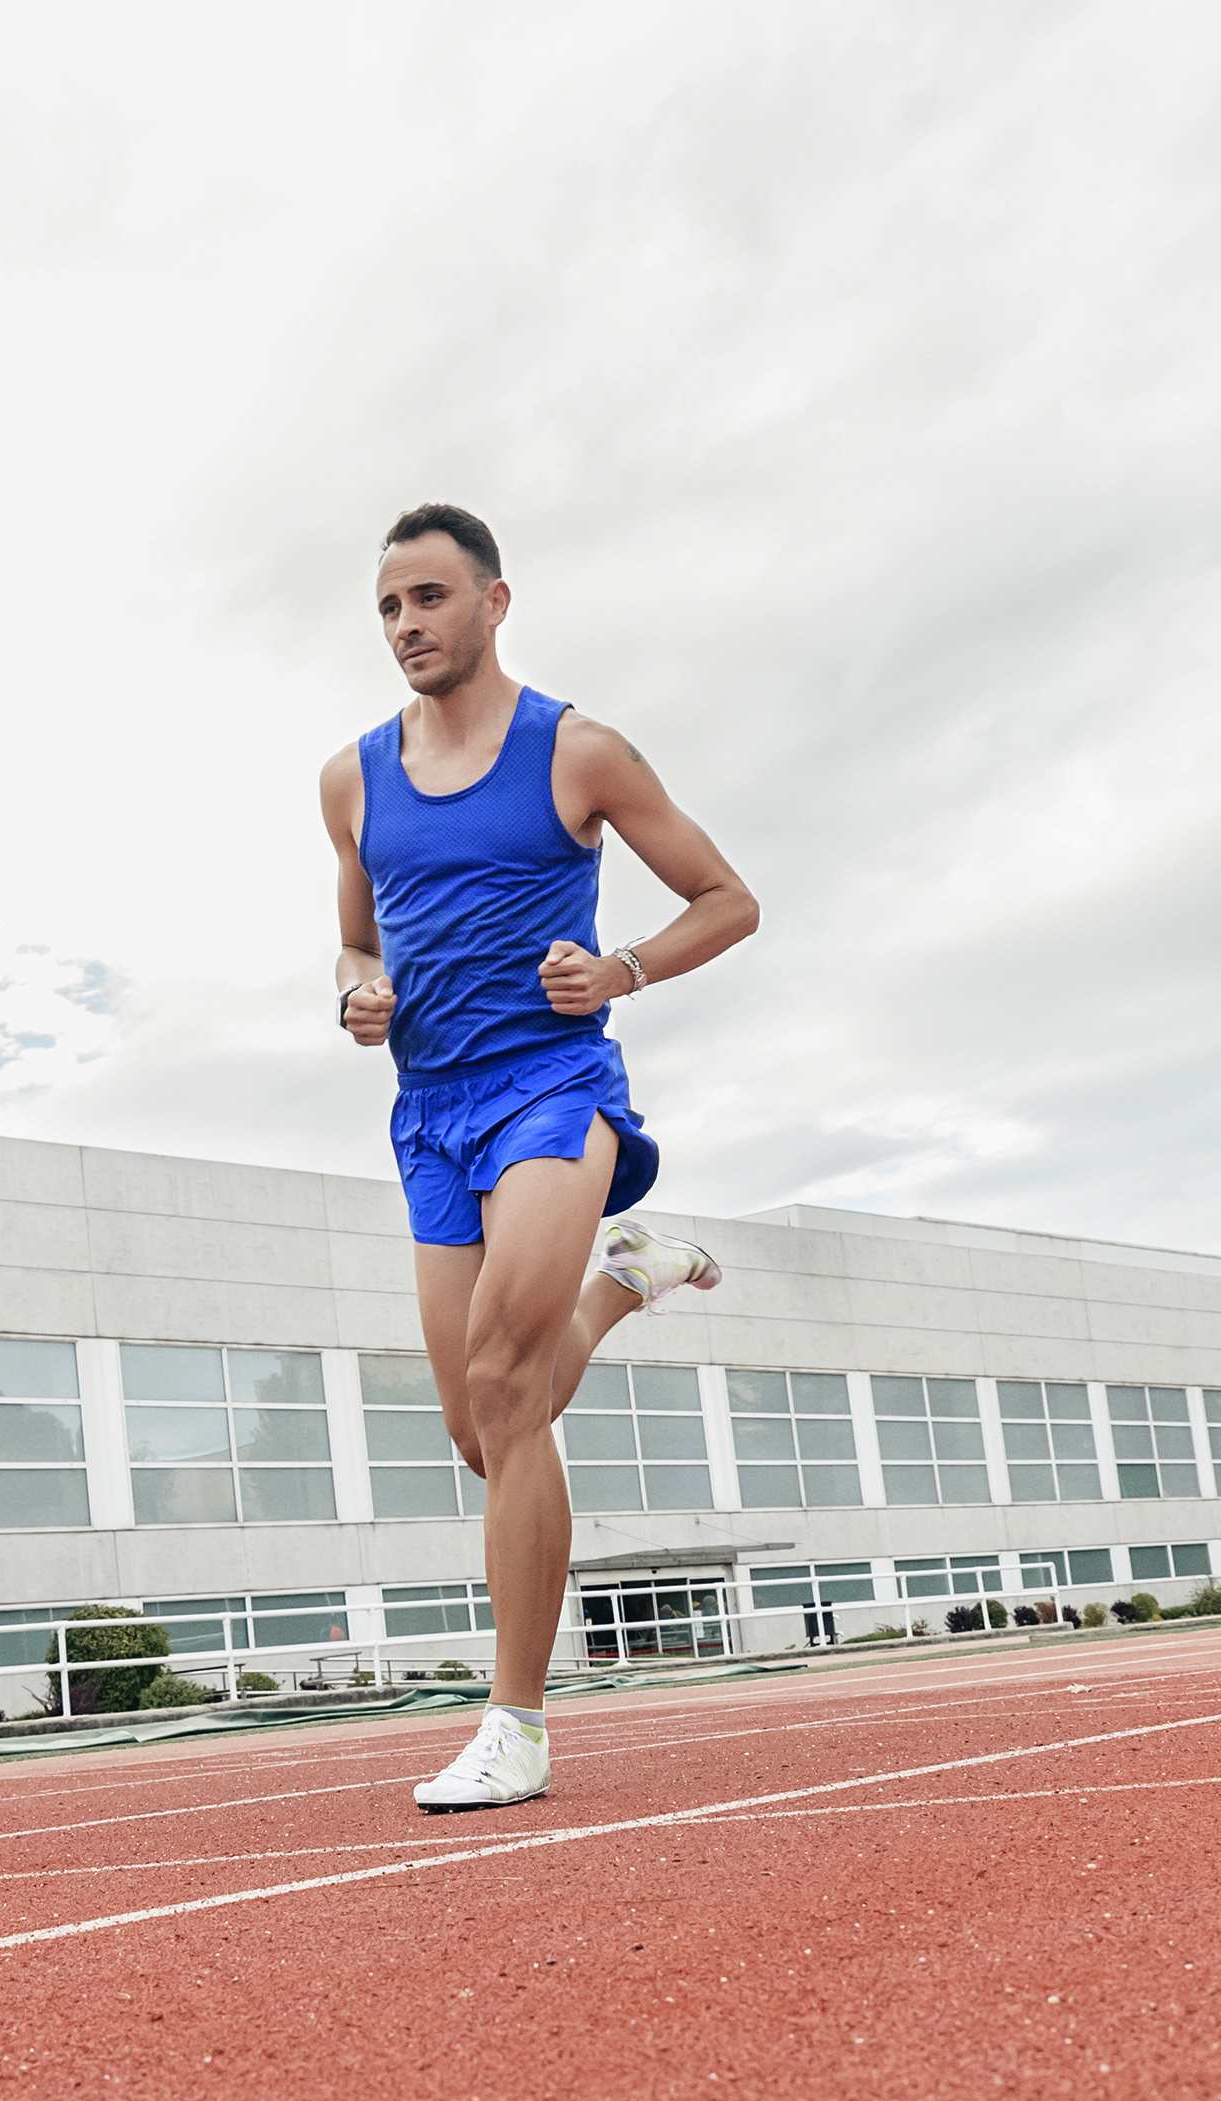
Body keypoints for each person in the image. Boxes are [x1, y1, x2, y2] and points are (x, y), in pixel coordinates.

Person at [323, 502, 762, 1812]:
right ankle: (626, 1277)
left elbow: (728, 898)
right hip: (431, 1112)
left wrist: (619, 967)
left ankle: (515, 1723)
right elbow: (356, 942)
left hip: (551, 1089)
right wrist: (357, 992)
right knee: (482, 1423)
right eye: (390, 607)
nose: (409, 625)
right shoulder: (351, 779)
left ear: (494, 603)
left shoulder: (575, 750)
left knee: (510, 1379)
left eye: (431, 599)